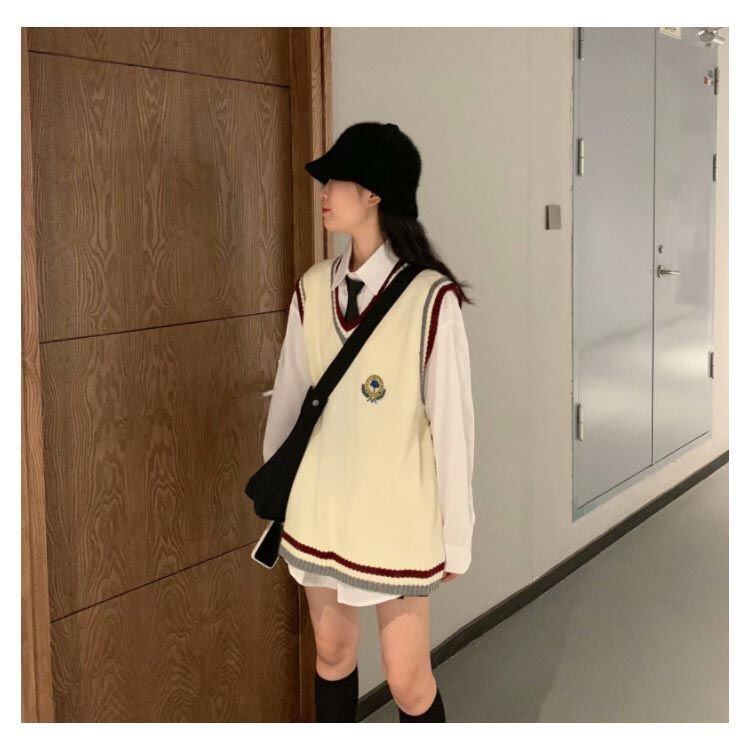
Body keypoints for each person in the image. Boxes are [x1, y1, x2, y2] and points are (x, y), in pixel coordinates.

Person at [261, 122, 475, 722]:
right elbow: (290, 398)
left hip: (394, 518)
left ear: (375, 193)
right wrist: (279, 489)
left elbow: (452, 428)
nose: (323, 192)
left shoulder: (431, 299)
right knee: (331, 654)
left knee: (408, 682)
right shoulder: (312, 289)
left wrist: (455, 535)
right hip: (320, 509)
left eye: (336, 180)